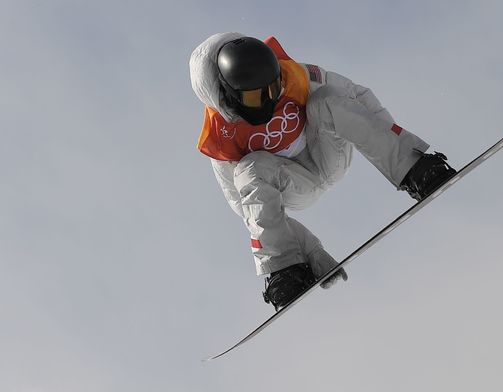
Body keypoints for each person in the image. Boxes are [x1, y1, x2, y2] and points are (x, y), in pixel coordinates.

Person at [189, 32, 456, 310]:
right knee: (250, 168)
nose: (270, 100)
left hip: (328, 153)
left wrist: (403, 153)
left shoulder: (296, 77)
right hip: (293, 183)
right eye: (257, 96)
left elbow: (356, 96)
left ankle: (414, 171)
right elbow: (250, 209)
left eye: (273, 88)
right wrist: (309, 250)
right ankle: (285, 267)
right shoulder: (222, 137)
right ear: (228, 95)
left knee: (326, 99)